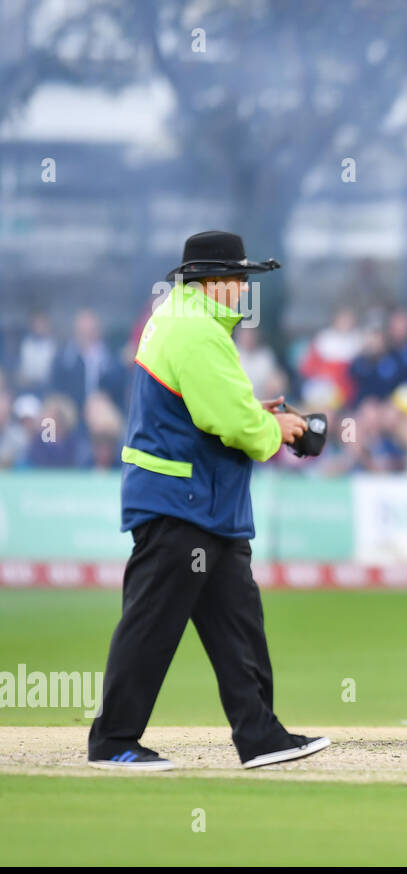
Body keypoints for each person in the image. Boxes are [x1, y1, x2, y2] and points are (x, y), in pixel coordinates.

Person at [88, 230, 327, 771]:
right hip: (183, 501)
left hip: (200, 505)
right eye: (240, 280)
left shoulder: (182, 321)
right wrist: (279, 431)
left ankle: (260, 735)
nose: (245, 291)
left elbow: (212, 404)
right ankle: (113, 741)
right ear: (214, 282)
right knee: (151, 625)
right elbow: (227, 419)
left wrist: (258, 416)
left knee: (237, 625)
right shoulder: (196, 330)